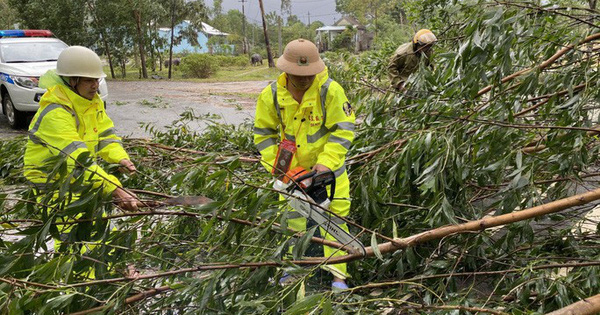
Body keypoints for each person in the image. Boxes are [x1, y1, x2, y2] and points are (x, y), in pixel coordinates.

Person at [253, 39, 355, 290]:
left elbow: (343, 131)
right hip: (292, 173)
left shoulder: (330, 91)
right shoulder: (272, 95)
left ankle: (338, 277)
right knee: (293, 223)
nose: (303, 79)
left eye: (308, 74)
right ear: (285, 70)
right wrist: (282, 171)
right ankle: (294, 271)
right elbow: (263, 135)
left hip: (329, 173)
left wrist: (324, 166)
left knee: (335, 222)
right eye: (298, 75)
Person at [24, 45, 139, 213]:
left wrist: (120, 158)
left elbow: (106, 136)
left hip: (77, 181)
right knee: (75, 235)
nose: (95, 86)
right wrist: (114, 189)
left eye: (97, 80)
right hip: (52, 189)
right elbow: (77, 159)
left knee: (97, 234)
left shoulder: (91, 103)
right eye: (88, 80)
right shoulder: (55, 113)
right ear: (72, 81)